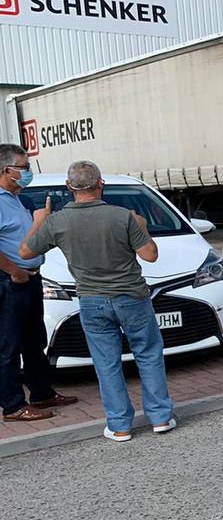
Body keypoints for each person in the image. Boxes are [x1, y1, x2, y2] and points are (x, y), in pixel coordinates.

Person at [20, 160, 175, 442]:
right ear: (100, 183)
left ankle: (120, 425)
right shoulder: (122, 216)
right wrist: (142, 227)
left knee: (106, 362)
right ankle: (160, 417)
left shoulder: (58, 222)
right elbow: (150, 255)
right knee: (149, 354)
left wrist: (39, 223)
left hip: (92, 300)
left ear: (69, 187)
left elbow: (25, 253)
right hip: (132, 297)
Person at [0, 144, 77, 423]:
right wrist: (14, 271)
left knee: (34, 341)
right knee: (8, 345)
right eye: (23, 167)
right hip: (10, 281)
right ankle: (12, 406)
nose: (27, 172)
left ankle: (42, 392)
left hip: (32, 279)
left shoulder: (18, 198)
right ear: (5, 170)